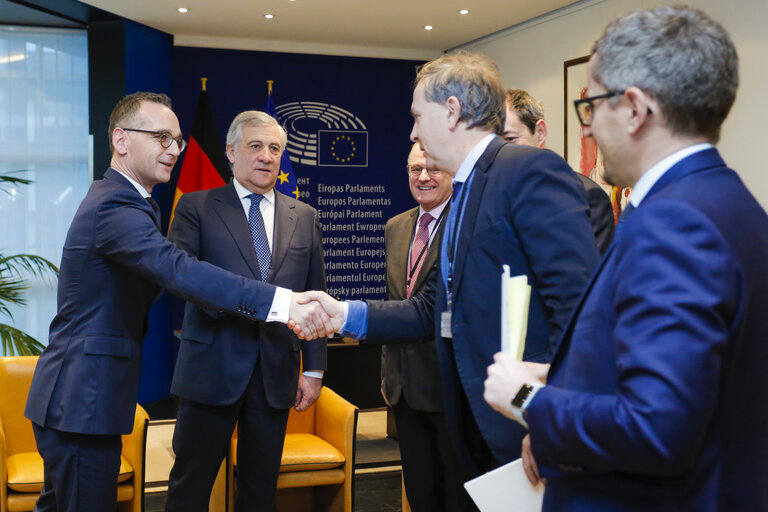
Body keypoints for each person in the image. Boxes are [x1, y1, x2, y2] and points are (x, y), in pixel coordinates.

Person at [484, 6, 768, 511]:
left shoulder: (674, 224)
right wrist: (567, 379)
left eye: (590, 107)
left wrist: (529, 401)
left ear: (634, 109)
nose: (587, 129)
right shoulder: (727, 203)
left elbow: (659, 427)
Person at [295, 52, 600, 483]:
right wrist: (342, 314)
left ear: (452, 112)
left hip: (523, 424)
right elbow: (431, 307)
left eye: (419, 116)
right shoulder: (465, 189)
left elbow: (581, 309)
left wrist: (552, 415)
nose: (414, 130)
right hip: (475, 421)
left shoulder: (527, 170)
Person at [23, 92, 328, 512]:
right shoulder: (116, 203)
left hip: (86, 396)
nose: (173, 149)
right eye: (161, 137)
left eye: (177, 140)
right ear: (121, 140)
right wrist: (281, 303)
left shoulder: (133, 202)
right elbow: (179, 269)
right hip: (84, 397)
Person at [164, 111, 327, 511]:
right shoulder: (196, 207)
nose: (266, 157)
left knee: (259, 489)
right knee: (191, 484)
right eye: (256, 146)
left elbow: (316, 294)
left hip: (275, 373)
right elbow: (182, 279)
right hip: (210, 368)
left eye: (275, 149)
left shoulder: (304, 217)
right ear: (231, 152)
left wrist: (314, 368)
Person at [382, 143, 466, 512]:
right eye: (415, 169)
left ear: (452, 172)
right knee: (420, 494)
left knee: (456, 495)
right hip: (403, 389)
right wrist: (387, 374)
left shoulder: (465, 224)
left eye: (433, 169)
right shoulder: (396, 227)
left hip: (450, 389)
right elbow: (394, 302)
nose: (423, 177)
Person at [503, 88, 615, 253]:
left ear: (540, 133)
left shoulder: (587, 197)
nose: (500, 151)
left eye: (510, 139)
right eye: (494, 142)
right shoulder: (487, 196)